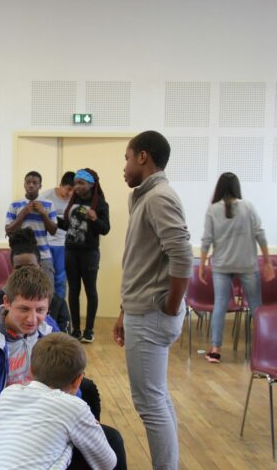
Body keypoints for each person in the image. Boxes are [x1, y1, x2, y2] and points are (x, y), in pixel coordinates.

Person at [0, 266, 101, 460]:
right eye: (24, 309)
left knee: (109, 440)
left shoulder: (50, 331)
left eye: (40, 310)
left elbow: (67, 383)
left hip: (43, 423)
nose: (32, 319)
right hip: (0, 432)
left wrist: (80, 416)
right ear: (7, 302)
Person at [114, 130, 192, 470]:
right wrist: (124, 310)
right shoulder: (144, 197)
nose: (124, 167)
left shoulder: (159, 197)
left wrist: (171, 306)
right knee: (157, 397)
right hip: (141, 310)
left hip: (152, 314)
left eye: (127, 158)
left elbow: (183, 256)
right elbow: (141, 262)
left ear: (143, 156)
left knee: (149, 403)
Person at [0, 333, 126, 470]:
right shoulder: (73, 408)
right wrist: (71, 443)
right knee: (112, 438)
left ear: (30, 370)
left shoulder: (8, 393)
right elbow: (108, 463)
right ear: (78, 380)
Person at [199, 172, 275, 363]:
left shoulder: (213, 210)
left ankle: (215, 350)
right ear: (236, 188)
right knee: (256, 305)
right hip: (247, 264)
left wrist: (202, 265)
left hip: (222, 265)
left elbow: (207, 240)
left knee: (220, 304)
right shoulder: (248, 206)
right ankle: (262, 348)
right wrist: (267, 262)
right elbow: (260, 234)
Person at [0, 227, 70, 333]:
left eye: (40, 309)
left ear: (40, 267)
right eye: (19, 268)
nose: (25, 273)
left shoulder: (57, 303)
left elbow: (64, 339)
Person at [59, 168, 110, 343]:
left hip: (89, 253)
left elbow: (105, 229)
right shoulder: (73, 201)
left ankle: (89, 330)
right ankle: (76, 330)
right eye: (76, 183)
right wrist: (50, 218)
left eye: (81, 183)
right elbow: (67, 226)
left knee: (90, 291)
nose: (77, 187)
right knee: (73, 291)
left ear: (91, 184)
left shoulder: (100, 204)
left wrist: (94, 219)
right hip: (70, 251)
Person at [5, 171, 57, 287]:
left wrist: (43, 214)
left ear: (40, 186)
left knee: (47, 290)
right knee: (20, 289)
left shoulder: (48, 204)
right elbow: (8, 231)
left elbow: (53, 231)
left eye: (35, 183)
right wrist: (23, 214)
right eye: (28, 182)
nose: (31, 185)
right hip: (21, 256)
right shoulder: (15, 205)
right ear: (24, 185)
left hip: (43, 256)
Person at [40, 171, 75, 299]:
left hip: (64, 244)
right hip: (46, 243)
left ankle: (60, 307)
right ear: (60, 185)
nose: (70, 193)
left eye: (73, 191)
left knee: (61, 280)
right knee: (47, 280)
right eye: (68, 189)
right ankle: (47, 308)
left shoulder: (75, 200)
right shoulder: (45, 197)